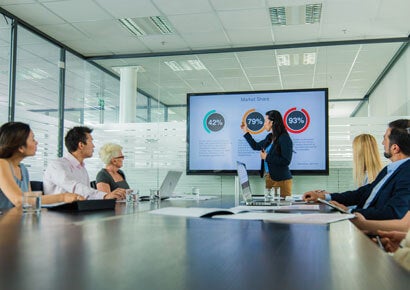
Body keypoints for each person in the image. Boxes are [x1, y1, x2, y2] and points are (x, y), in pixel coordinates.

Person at [303, 119, 410, 220]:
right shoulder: (389, 170)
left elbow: (395, 212)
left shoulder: (406, 173)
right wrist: (324, 196)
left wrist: (349, 211)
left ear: (395, 148)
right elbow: (362, 193)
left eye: (385, 139)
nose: (382, 143)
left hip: (368, 225)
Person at [0, 122, 84, 208]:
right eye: (33, 139)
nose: (36, 142)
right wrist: (62, 197)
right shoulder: (1, 164)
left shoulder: (23, 169)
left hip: (16, 220)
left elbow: (30, 202)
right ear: (21, 147)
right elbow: (19, 200)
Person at [43, 126, 125, 200]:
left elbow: (87, 195)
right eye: (91, 142)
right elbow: (75, 187)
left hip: (77, 212)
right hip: (59, 213)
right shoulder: (57, 165)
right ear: (81, 145)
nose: (93, 146)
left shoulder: (82, 169)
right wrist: (104, 196)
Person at [241, 110, 293, 197]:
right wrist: (246, 131)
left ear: (271, 122)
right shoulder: (270, 137)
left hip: (281, 180)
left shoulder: (284, 138)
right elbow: (255, 146)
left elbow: (286, 161)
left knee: (281, 209)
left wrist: (267, 157)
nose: (264, 124)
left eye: (265, 121)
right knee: (270, 208)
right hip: (269, 177)